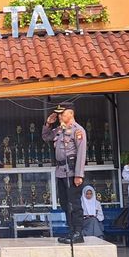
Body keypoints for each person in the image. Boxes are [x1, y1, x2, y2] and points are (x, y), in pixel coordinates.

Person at [42, 102, 87, 244]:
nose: (60, 116)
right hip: (61, 171)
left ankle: (78, 232)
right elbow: (46, 137)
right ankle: (71, 230)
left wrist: (79, 174)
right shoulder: (60, 129)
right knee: (64, 202)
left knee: (74, 203)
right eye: (59, 113)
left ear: (71, 114)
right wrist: (48, 124)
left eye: (62, 113)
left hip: (72, 170)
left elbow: (81, 153)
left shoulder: (77, 130)